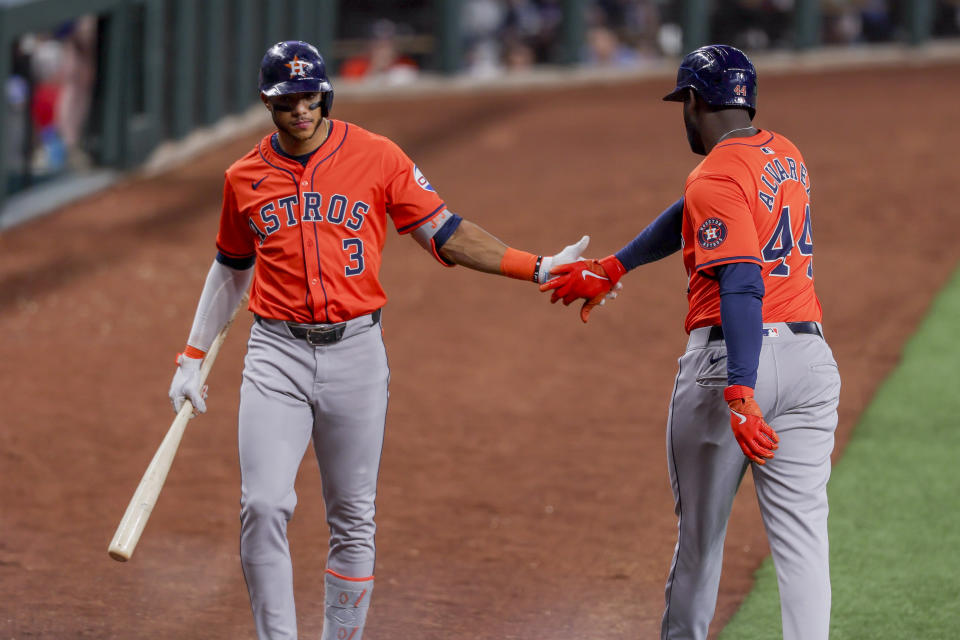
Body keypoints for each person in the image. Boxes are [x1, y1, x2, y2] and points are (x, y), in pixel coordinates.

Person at [167, 40, 589, 640]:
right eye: (288, 100)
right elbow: (231, 267)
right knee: (262, 506)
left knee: (353, 519)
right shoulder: (244, 178)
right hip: (276, 353)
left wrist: (537, 265)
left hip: (356, 354)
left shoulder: (378, 156)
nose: (302, 110)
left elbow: (445, 232)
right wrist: (192, 356)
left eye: (310, 96)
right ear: (268, 102)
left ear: (324, 93)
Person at [541, 44, 841, 640]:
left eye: (683, 102)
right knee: (804, 540)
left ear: (696, 101)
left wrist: (740, 392)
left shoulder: (712, 174)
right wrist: (616, 265)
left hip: (731, 362)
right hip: (810, 362)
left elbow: (741, 280)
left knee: (701, 542)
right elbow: (695, 210)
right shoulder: (785, 153)